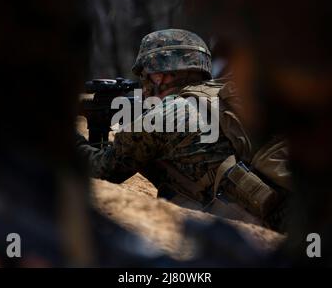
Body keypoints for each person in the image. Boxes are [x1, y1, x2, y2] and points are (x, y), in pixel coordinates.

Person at [77, 29, 290, 229]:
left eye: (144, 75)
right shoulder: (227, 97)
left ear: (159, 76)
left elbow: (102, 171)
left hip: (246, 231)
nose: (143, 84)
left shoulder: (165, 115)